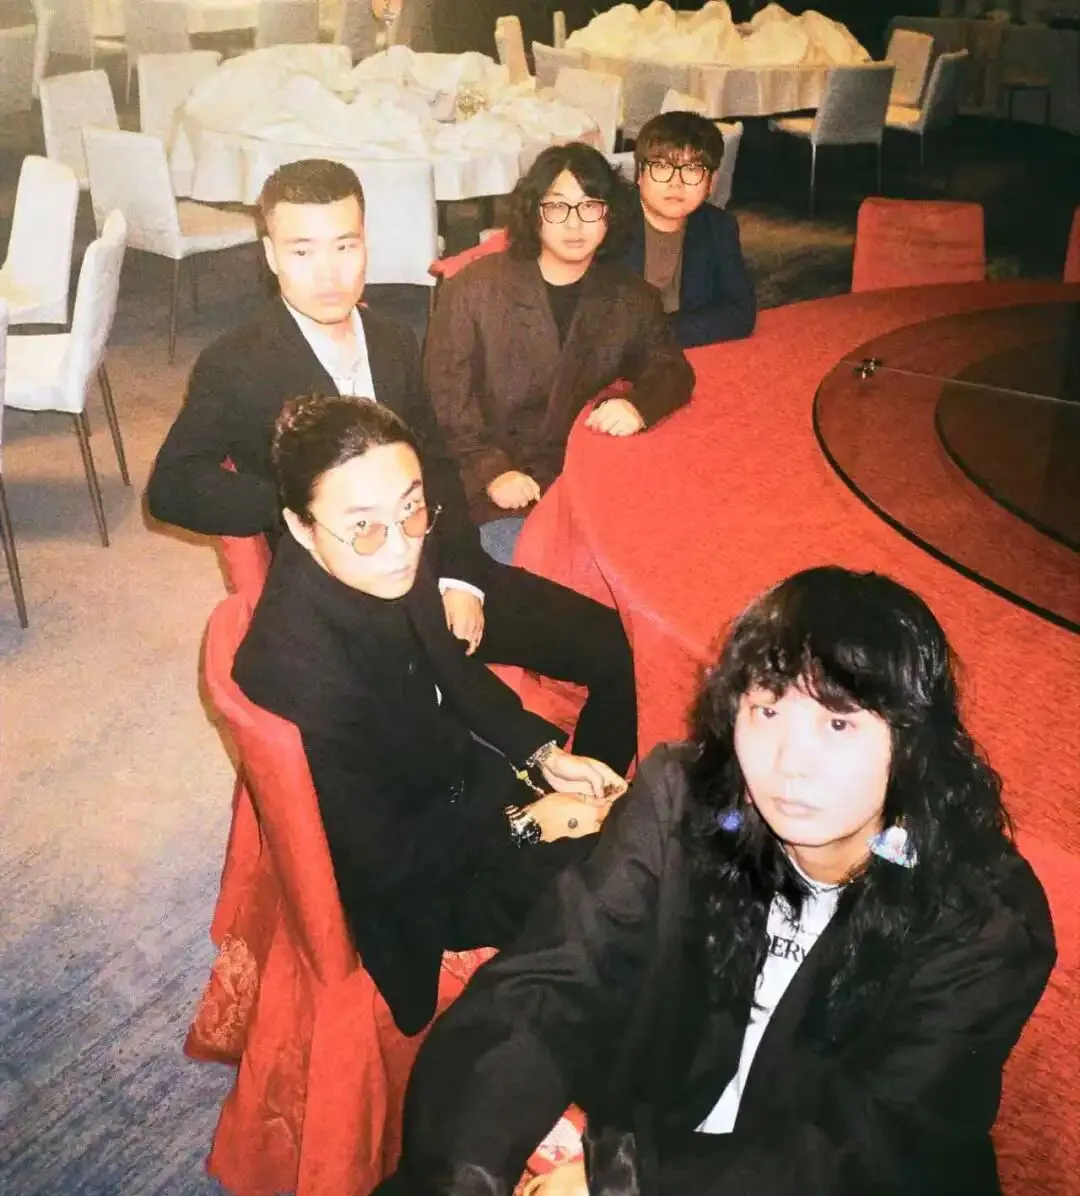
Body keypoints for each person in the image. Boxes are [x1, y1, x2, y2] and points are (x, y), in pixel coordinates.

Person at [382, 565, 1056, 1195]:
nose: (789, 763)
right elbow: (546, 983)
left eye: (838, 722)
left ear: (911, 742)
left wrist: (626, 1179)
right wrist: (467, 1175)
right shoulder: (685, 800)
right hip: (660, 1129)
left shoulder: (982, 918)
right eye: (767, 711)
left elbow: (870, 1147)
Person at [145, 158, 638, 774]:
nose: (329, 274)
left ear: (366, 243)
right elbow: (172, 485)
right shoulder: (236, 363)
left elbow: (437, 465)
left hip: (435, 562)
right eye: (302, 251)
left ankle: (591, 809)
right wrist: (301, 508)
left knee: (618, 649)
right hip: (353, 601)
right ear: (270, 255)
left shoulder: (394, 340)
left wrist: (461, 579)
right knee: (458, 760)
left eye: (345, 245)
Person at [233, 394, 628, 1036]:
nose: (400, 548)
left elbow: (452, 668)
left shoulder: (385, 560)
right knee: (621, 895)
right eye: (364, 526)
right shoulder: (300, 674)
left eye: (411, 508)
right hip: (426, 882)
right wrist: (527, 824)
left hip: (458, 796)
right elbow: (381, 861)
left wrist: (543, 757)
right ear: (300, 528)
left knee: (638, 833)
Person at [424, 142, 695, 565]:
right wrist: (491, 471)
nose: (574, 223)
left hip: (585, 483)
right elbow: (444, 401)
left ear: (610, 216)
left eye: (590, 206)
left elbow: (672, 369)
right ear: (534, 213)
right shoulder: (473, 289)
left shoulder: (631, 296)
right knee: (535, 574)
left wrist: (640, 405)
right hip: (491, 490)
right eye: (557, 206)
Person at [620, 110, 756, 350]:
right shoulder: (609, 223)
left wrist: (658, 333)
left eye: (692, 169)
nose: (676, 183)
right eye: (662, 167)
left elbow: (740, 312)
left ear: (711, 182)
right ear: (639, 174)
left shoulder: (718, 226)